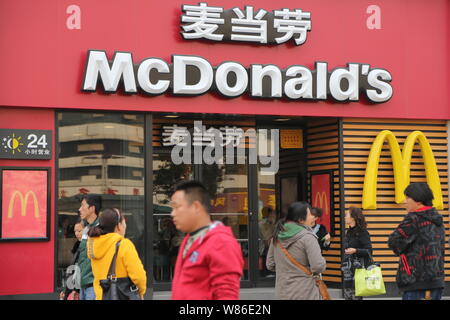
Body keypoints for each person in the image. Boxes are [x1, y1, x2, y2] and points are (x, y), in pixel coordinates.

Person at [170, 180, 244, 300]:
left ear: (196, 206)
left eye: (176, 207)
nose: (172, 213)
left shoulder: (221, 242)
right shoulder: (190, 239)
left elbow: (227, 295)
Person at [388, 182, 445, 300]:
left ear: (418, 200)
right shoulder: (437, 220)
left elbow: (394, 241)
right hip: (436, 281)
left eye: (408, 197)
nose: (405, 201)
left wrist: (402, 250)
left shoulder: (414, 218)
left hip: (416, 281)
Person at [266, 201, 326, 300]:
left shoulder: (276, 236)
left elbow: (270, 264)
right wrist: (323, 261)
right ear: (301, 220)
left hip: (282, 292)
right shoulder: (308, 237)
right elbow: (318, 266)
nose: (313, 217)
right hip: (305, 292)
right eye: (310, 214)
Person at [87, 208, 147, 300]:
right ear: (118, 226)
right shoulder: (124, 245)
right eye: (124, 222)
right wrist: (141, 292)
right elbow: (139, 277)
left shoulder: (93, 244)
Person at [341, 207, 372, 300]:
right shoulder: (349, 232)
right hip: (347, 270)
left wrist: (355, 250)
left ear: (353, 217)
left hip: (358, 270)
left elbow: (369, 250)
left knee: (356, 296)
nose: (345, 217)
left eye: (347, 215)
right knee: (348, 296)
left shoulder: (362, 232)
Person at [77, 194, 102, 300]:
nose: (79, 209)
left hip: (94, 286)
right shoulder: (86, 229)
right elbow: (81, 258)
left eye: (83, 206)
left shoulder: (101, 229)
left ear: (92, 208)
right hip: (84, 285)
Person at [60, 219, 84, 300]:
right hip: (79, 286)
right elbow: (73, 270)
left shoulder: (85, 246)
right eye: (75, 231)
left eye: (79, 231)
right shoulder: (77, 245)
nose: (76, 233)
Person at [258, 207, 276, 276]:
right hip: (265, 247)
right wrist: (271, 224)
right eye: (272, 214)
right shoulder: (263, 223)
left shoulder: (273, 222)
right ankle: (268, 273)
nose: (273, 215)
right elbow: (266, 237)